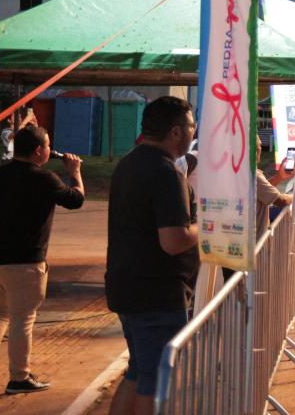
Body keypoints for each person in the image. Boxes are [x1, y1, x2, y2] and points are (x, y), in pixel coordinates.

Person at [0, 126, 83, 394]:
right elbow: (76, 199)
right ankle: (19, 377)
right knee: (23, 319)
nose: (49, 150)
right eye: (47, 146)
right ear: (38, 151)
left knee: (2, 311)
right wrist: (75, 173)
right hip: (25, 264)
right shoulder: (45, 178)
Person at [106, 97, 198, 415]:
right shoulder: (165, 173)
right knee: (156, 381)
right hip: (156, 295)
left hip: (130, 287)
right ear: (176, 132)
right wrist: (209, 228)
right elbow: (174, 240)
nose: (193, 133)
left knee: (138, 372)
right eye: (191, 127)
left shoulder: (129, 163)